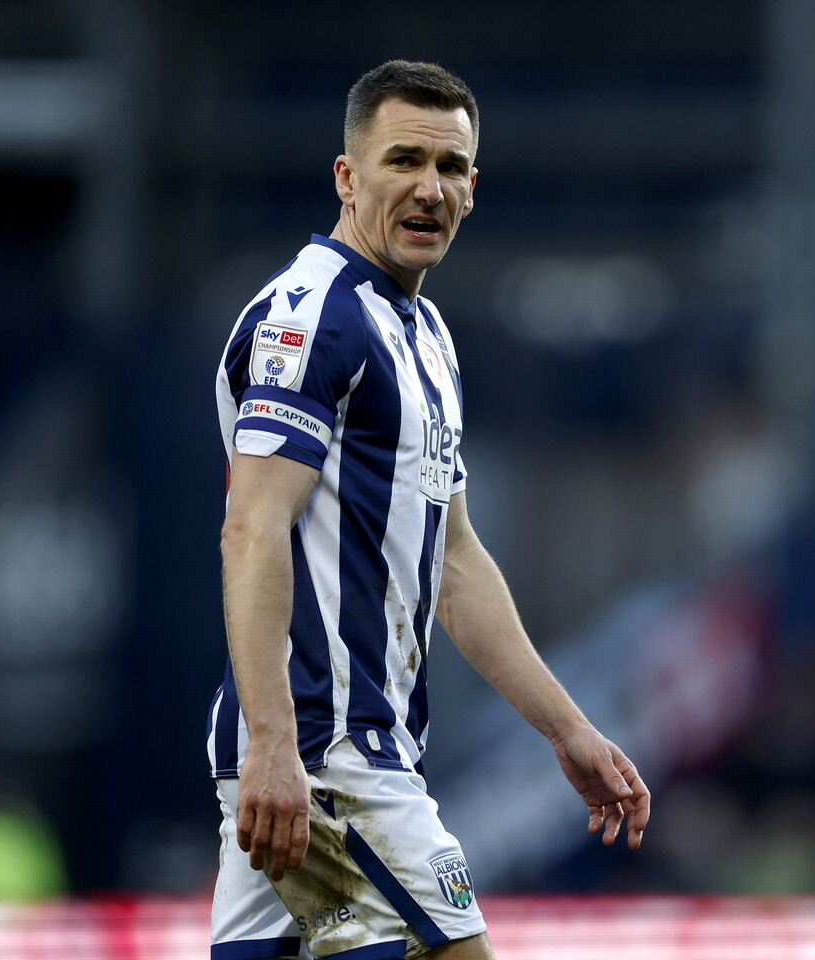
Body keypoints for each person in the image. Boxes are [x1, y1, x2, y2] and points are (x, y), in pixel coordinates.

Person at [206, 60, 650, 960]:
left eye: (450, 167)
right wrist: (276, 744)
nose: (429, 188)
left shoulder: (427, 335)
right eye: (404, 160)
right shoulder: (312, 318)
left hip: (338, 746)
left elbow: (454, 561)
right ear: (347, 176)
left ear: (473, 189)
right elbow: (252, 528)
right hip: (325, 746)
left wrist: (567, 729)